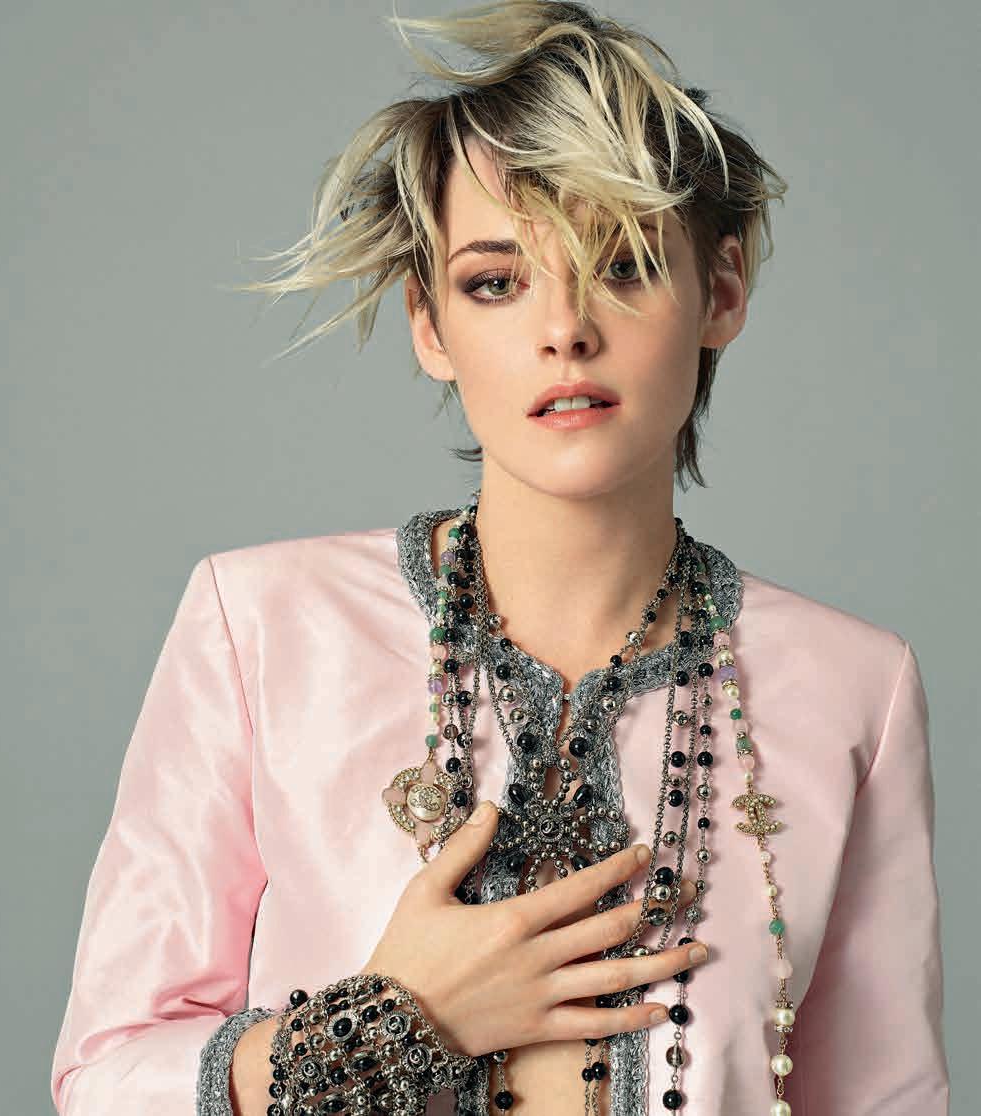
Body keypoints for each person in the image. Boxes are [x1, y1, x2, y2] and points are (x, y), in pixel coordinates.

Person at [49, 2, 948, 1113]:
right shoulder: (263, 627)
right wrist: (395, 1022)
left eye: (622, 266)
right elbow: (104, 1081)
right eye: (495, 281)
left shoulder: (853, 688)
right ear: (429, 324)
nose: (564, 328)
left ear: (719, 292)